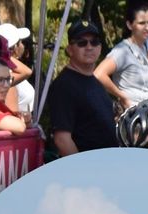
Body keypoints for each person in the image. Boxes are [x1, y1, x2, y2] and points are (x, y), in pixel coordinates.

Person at [46, 19, 118, 156]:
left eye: (94, 42)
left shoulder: (94, 81)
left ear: (100, 47)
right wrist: (81, 173)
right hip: (87, 171)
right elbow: (62, 139)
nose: (89, 47)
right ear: (69, 49)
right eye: (82, 43)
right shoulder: (63, 86)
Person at [94, 2, 148, 111]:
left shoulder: (143, 48)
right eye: (141, 23)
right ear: (129, 25)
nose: (147, 27)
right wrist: (122, 96)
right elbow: (98, 74)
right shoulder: (122, 50)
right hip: (132, 118)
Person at [0, 23, 35, 122]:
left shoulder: (10, 71)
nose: (22, 45)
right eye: (20, 42)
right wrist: (27, 120)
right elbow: (12, 117)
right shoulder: (6, 75)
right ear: (13, 49)